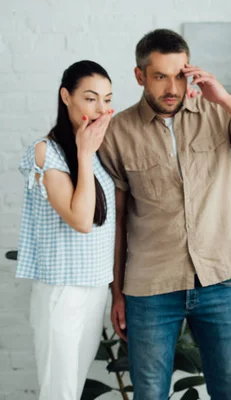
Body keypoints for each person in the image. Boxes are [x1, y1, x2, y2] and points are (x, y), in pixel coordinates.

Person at [98, 29, 231, 399]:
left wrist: (225, 98)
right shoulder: (117, 132)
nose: (171, 87)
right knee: (149, 394)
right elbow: (118, 221)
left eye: (179, 75)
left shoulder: (215, 114)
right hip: (150, 288)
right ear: (140, 76)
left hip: (219, 281)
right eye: (160, 76)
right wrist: (117, 293)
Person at [15, 60, 115, 399]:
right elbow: (81, 220)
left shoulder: (98, 151)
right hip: (63, 289)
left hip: (94, 286)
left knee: (72, 387)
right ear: (66, 97)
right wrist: (85, 154)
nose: (101, 108)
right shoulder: (46, 152)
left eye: (107, 98)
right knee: (59, 391)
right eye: (90, 98)